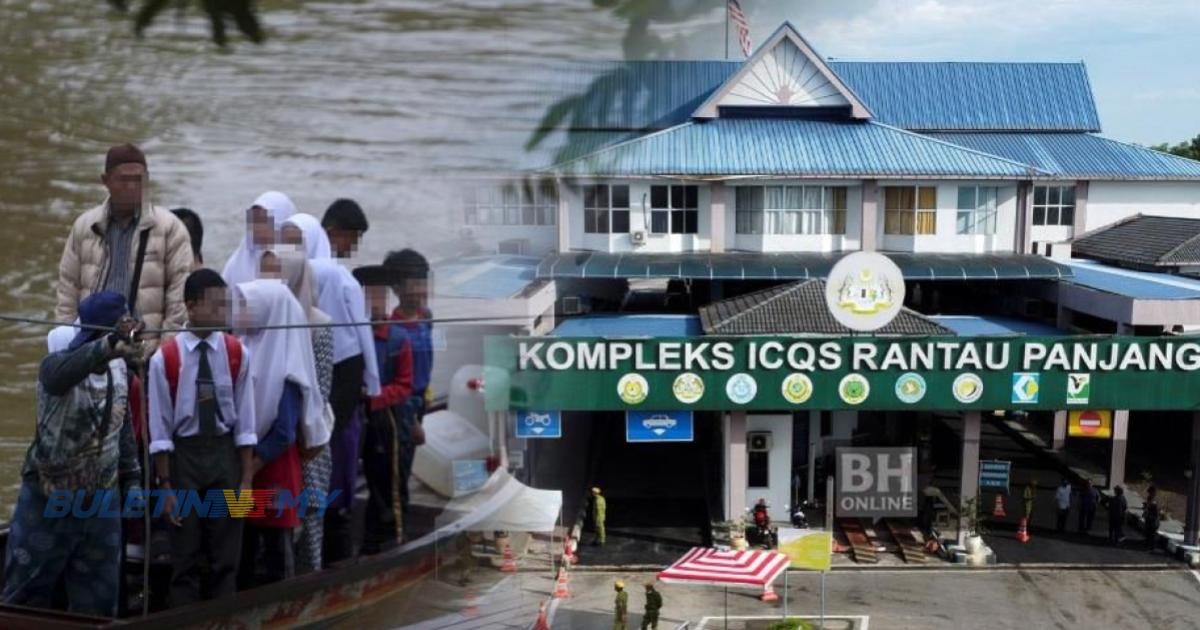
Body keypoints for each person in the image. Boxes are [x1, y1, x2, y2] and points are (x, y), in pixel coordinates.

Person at [3, 292, 143, 616]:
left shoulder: (120, 372)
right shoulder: (56, 366)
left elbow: (123, 429)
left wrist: (133, 478)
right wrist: (108, 346)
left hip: (100, 504)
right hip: (48, 499)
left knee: (98, 600)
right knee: (23, 593)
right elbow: (59, 374)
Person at [147, 269, 256, 606]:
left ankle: (225, 617)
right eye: (216, 305)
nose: (223, 312)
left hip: (225, 458)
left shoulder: (237, 352)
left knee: (226, 555)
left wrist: (247, 479)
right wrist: (165, 487)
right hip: (184, 460)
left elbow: (246, 423)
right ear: (192, 306)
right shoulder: (165, 358)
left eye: (226, 305)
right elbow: (160, 429)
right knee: (185, 553)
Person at [284, 213, 379, 563]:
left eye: (297, 240)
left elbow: (358, 335)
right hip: (313, 400)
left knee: (327, 489)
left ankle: (329, 559)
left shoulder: (332, 277)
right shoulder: (283, 279)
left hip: (337, 386)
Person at [55, 144, 193, 358]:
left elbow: (179, 300)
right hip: (90, 350)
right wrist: (69, 347)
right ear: (106, 181)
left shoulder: (170, 229)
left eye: (138, 180)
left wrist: (162, 355)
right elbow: (67, 291)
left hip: (144, 352)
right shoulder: (85, 227)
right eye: (123, 179)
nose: (131, 186)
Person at [233, 280, 326, 589]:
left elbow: (284, 430)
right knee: (242, 545)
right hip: (245, 463)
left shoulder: (287, 362)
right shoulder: (244, 347)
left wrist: (250, 466)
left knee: (275, 546)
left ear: (268, 310)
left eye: (247, 305)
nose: (240, 311)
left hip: (272, 466)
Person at [268, 249, 336, 573]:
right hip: (275, 438)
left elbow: (321, 389)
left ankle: (309, 585)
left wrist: (295, 427)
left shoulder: (319, 324)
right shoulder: (264, 318)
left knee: (308, 517)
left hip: (308, 438)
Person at [355, 265, 414, 554]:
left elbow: (405, 386)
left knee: (388, 483)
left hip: (386, 418)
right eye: (369, 298)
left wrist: (375, 397)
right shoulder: (352, 335)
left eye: (380, 298)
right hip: (356, 414)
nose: (376, 304)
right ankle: (364, 542)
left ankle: (395, 540)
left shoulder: (398, 339)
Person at [384, 248, 433, 534]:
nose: (418, 292)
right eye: (412, 285)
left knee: (407, 463)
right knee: (398, 473)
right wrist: (412, 421)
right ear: (397, 289)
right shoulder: (392, 330)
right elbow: (396, 382)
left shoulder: (427, 318)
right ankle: (397, 533)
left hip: (420, 403)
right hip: (403, 409)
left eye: (422, 284)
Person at [222, 191, 297, 288]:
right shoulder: (239, 259)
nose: (257, 227)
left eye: (264, 221)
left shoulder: (295, 265)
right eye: (255, 220)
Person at [1143, 486, 1161, 551]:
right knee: (1148, 533)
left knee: (1152, 534)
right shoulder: (1150, 498)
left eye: (1150, 492)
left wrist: (1148, 510)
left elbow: (1156, 511)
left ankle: (1151, 547)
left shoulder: (1155, 500)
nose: (1149, 494)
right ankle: (1147, 544)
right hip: (1149, 520)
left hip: (1153, 521)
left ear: (1153, 492)